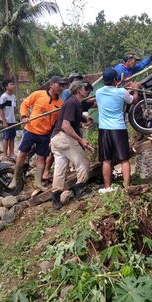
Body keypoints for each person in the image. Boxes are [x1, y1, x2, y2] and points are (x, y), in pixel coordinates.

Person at [9, 76, 64, 191]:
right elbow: (24, 104)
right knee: (22, 155)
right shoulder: (38, 94)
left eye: (63, 86)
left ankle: (38, 183)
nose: (61, 88)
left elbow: (59, 121)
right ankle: (15, 179)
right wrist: (24, 116)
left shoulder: (60, 103)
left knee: (41, 158)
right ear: (52, 84)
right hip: (31, 130)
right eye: (59, 85)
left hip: (45, 134)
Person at [50, 81, 93, 209]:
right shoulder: (72, 103)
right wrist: (81, 140)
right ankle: (80, 189)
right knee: (83, 162)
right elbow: (65, 125)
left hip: (56, 139)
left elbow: (71, 120)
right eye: (85, 89)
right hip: (63, 136)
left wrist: (84, 119)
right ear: (79, 90)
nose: (87, 91)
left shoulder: (75, 103)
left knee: (60, 168)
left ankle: (55, 197)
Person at [95, 67, 139, 192]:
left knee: (106, 160)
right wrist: (135, 89)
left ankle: (107, 187)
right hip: (119, 128)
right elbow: (133, 101)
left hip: (104, 130)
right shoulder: (121, 92)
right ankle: (126, 186)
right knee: (124, 159)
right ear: (115, 79)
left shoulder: (98, 92)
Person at [0, 80, 16, 160]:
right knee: (6, 138)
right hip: (6, 120)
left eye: (13, 84)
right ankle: (5, 154)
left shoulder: (13, 96)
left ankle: (12, 153)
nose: (13, 86)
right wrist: (4, 121)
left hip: (12, 120)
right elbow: (1, 109)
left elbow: (13, 108)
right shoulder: (4, 97)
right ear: (6, 86)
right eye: (11, 84)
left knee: (12, 137)